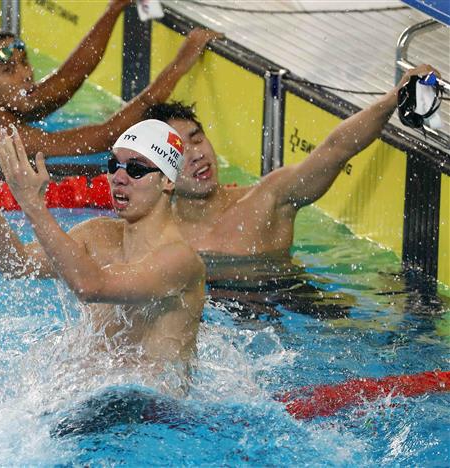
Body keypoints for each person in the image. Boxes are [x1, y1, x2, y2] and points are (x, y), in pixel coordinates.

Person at [143, 64, 439, 317]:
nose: (196, 154)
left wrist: (393, 98)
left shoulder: (268, 199)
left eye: (197, 139)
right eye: (180, 151)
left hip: (293, 310)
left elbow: (336, 150)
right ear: (158, 171)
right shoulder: (152, 234)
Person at [0, 120, 205, 387]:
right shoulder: (97, 236)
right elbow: (16, 264)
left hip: (156, 415)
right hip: (96, 398)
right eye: (114, 165)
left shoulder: (180, 261)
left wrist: (34, 207)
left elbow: (90, 285)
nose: (119, 177)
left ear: (167, 181)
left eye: (136, 169)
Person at [0, 16, 221, 160]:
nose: (26, 74)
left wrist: (115, 7)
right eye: (9, 70)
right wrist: (180, 62)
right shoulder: (5, 139)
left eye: (24, 63)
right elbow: (108, 135)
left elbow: (70, 77)